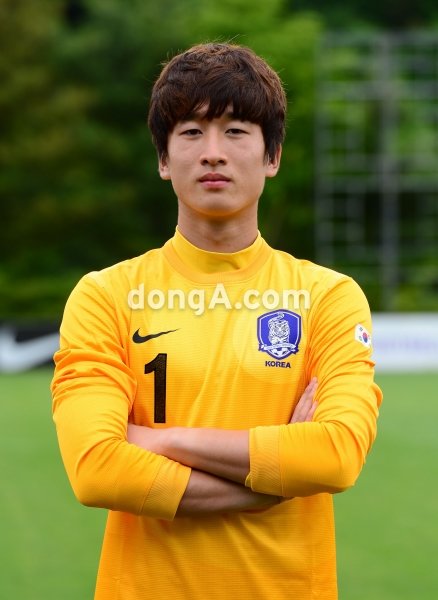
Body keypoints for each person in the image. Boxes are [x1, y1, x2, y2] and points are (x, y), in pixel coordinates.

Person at [51, 42, 382, 600]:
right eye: (190, 132)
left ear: (271, 156)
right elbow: (96, 470)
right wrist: (268, 483)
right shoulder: (105, 295)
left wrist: (154, 440)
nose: (212, 153)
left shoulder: (328, 297)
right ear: (163, 160)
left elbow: (336, 455)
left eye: (235, 131)